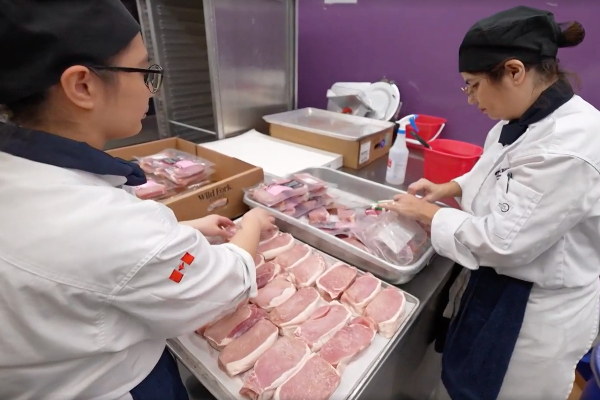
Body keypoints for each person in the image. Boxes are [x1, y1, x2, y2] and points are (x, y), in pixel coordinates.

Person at [0, 1, 274, 399]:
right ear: (82, 85)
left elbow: (88, 266)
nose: (150, 87)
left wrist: (183, 230)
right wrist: (251, 224)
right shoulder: (104, 226)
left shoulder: (21, 171)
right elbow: (220, 287)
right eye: (144, 70)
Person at [383, 6, 600, 400]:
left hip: (533, 311)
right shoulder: (519, 120)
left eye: (473, 85)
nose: (470, 99)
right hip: (498, 288)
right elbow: (500, 176)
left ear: (515, 71)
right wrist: (449, 187)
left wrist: (429, 214)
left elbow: (504, 242)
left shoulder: (568, 147)